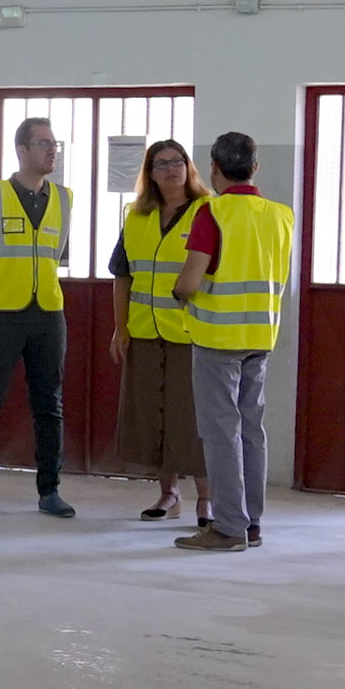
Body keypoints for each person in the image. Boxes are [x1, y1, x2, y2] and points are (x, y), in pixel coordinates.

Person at [170, 129, 294, 553]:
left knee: (222, 433)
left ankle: (227, 528)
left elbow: (190, 281)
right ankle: (251, 523)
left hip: (217, 338)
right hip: (261, 336)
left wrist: (178, 293)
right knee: (251, 429)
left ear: (214, 168)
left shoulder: (212, 213)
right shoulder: (281, 216)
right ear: (255, 167)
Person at [0, 115, 76, 520]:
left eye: (54, 144)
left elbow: (56, 255)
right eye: (44, 143)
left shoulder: (64, 198)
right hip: (0, 315)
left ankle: (50, 491)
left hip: (48, 315)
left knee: (49, 405)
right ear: (21, 150)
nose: (52, 150)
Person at [108, 137, 206, 527]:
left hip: (191, 334)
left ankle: (207, 500)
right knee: (155, 418)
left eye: (177, 161)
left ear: (188, 167)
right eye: (161, 163)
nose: (171, 169)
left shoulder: (206, 212)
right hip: (145, 332)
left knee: (193, 419)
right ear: (149, 173)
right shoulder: (136, 216)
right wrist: (120, 327)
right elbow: (122, 275)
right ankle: (169, 495)